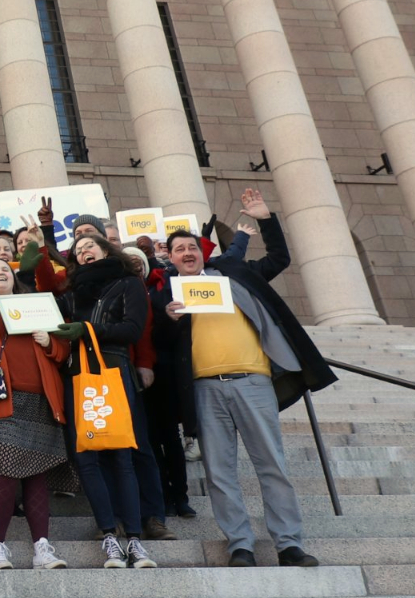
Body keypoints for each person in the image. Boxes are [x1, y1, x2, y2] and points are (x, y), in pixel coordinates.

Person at [157, 187, 335, 568]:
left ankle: (289, 544)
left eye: (192, 247)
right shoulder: (164, 296)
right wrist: (168, 321)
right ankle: (240, 543)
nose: (187, 254)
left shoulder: (234, 272)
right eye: (178, 250)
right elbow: (160, 348)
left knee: (271, 464)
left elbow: (279, 259)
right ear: (169, 258)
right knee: (220, 472)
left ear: (203, 252)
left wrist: (265, 219)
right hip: (204, 390)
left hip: (252, 382)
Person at [0, 259, 74, 570]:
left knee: (36, 474)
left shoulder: (37, 306)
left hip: (41, 399)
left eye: (5, 269)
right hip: (1, 402)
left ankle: (42, 549)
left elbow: (62, 352)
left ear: (13, 277)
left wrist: (51, 343)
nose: (0, 272)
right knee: (4, 472)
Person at [60, 233, 160, 569]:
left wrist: (86, 330)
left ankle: (133, 538)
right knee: (86, 457)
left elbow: (132, 329)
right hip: (78, 374)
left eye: (89, 246)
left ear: (105, 250)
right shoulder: (72, 291)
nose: (83, 251)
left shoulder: (128, 283)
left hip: (114, 370)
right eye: (78, 250)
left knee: (122, 456)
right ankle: (109, 535)